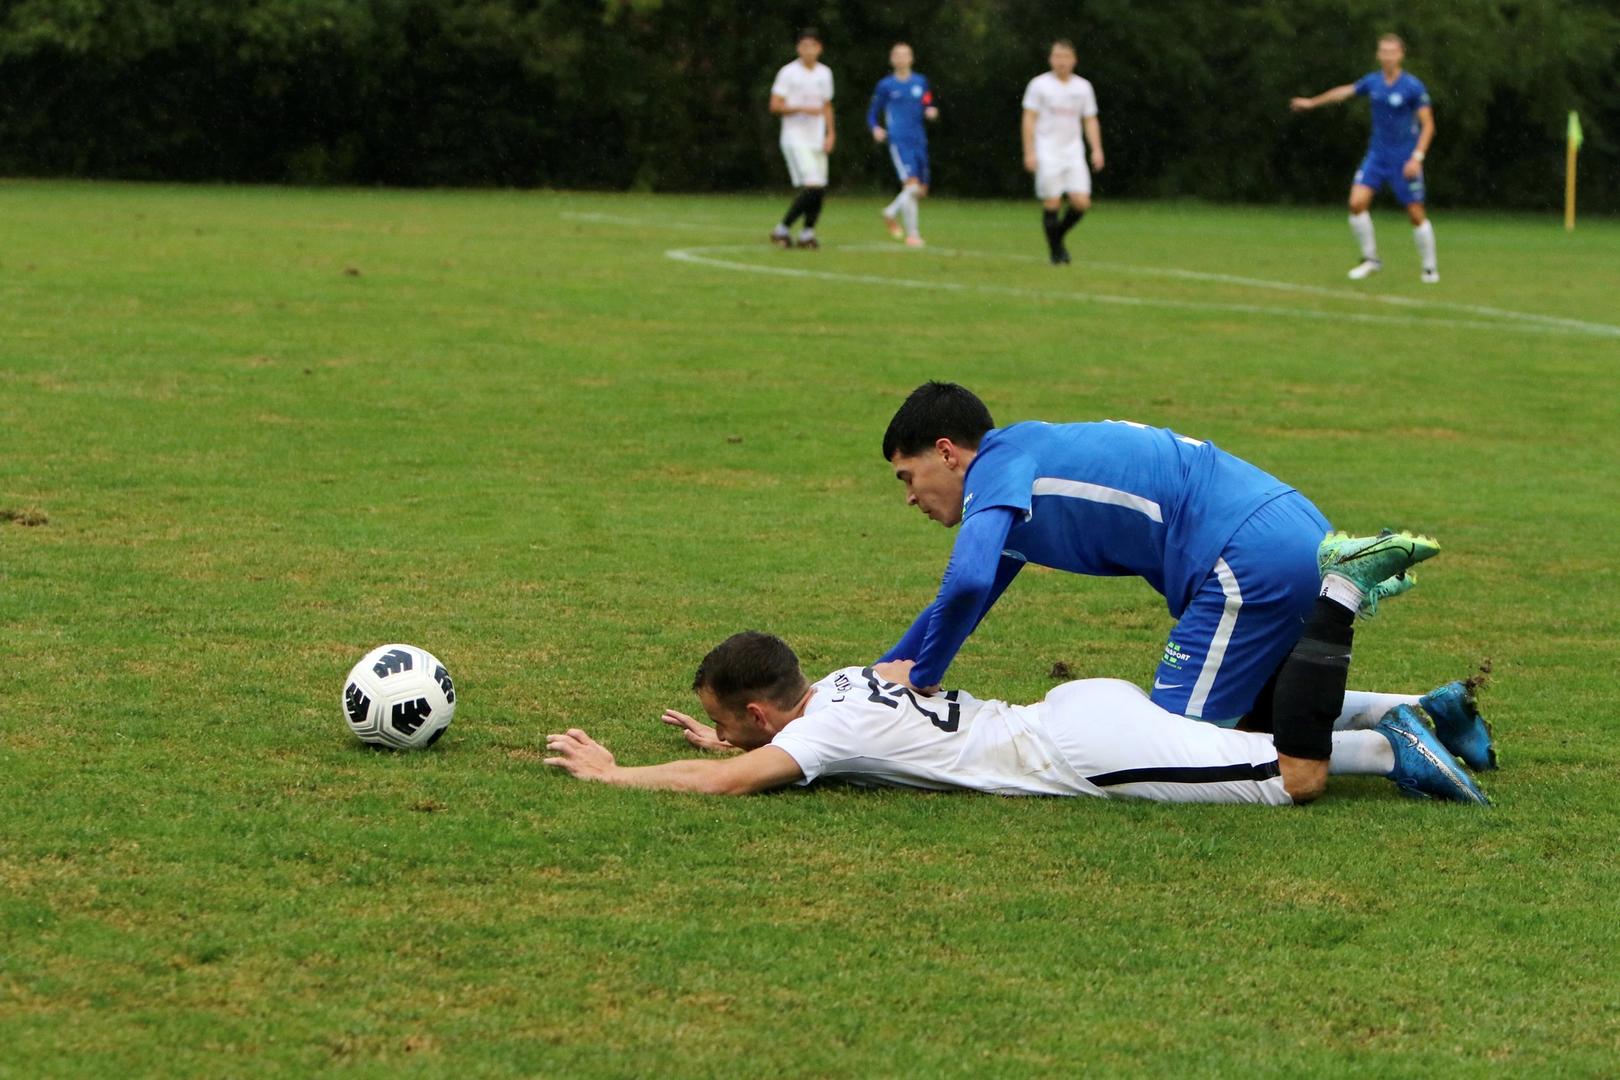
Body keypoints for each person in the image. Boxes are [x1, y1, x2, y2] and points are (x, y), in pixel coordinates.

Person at [875, 381, 1494, 803]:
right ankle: (1415, 707)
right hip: (1289, 525)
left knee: (1177, 743)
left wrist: (924, 676)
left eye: (909, 476)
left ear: (949, 454)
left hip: (1243, 557)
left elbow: (969, 579)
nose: (909, 497)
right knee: (1255, 711)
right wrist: (883, 672)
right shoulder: (1026, 458)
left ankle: (1385, 747)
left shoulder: (996, 471)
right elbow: (962, 601)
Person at [543, 624, 1489, 806]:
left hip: (1082, 751)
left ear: (760, 711)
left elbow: (730, 778)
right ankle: (1421, 706)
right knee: (1227, 733)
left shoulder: (819, 734)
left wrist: (614, 772)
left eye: (733, 721)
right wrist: (730, 738)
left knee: (1282, 777)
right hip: (1080, 704)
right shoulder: (835, 684)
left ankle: (1385, 745)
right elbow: (754, 748)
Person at [1291, 33, 1438, 283]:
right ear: (1378, 55)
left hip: (1404, 159)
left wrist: (1417, 158)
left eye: (1392, 51)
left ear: (1401, 55)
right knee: (1356, 204)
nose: (1387, 56)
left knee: (1415, 213)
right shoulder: (1373, 82)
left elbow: (1429, 126)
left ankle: (1429, 268)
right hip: (1377, 156)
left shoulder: (1413, 87)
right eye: (1383, 51)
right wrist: (1312, 103)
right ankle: (1370, 260)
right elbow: (1344, 92)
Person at [1020, 40, 1104, 265]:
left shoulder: (1083, 87)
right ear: (1050, 59)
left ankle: (1056, 237)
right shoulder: (1039, 85)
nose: (1061, 61)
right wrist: (1029, 151)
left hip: (1073, 151)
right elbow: (1029, 119)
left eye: (1066, 57)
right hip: (1047, 150)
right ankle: (1057, 252)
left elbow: (1090, 119)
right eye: (1057, 56)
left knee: (1081, 202)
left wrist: (1096, 149)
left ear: (1074, 60)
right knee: (1053, 202)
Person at [769, 29, 836, 250]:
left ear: (820, 48)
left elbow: (826, 106)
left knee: (819, 188)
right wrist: (801, 108)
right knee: (813, 185)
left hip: (816, 138)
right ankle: (782, 228)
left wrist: (830, 133)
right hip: (795, 137)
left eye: (813, 45)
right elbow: (775, 105)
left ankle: (807, 233)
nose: (808, 50)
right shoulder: (788, 73)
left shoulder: (825, 73)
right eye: (804, 46)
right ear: (798, 48)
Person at [867, 42, 938, 248]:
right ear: (892, 59)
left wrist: (930, 110)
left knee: (920, 190)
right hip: (899, 140)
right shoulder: (886, 85)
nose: (901, 58)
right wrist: (875, 128)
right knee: (911, 185)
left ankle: (894, 214)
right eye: (897, 55)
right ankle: (911, 233)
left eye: (905, 54)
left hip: (919, 139)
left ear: (911, 58)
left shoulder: (920, 82)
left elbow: (927, 102)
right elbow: (872, 112)